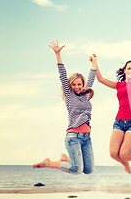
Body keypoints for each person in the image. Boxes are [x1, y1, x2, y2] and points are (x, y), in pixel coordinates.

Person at [33, 41, 96, 174]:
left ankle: (65, 159)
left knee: (89, 170)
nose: (77, 87)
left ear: (83, 84)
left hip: (86, 137)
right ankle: (48, 163)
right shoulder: (69, 96)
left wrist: (94, 62)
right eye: (74, 84)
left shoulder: (86, 95)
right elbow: (62, 74)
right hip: (73, 136)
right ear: (70, 86)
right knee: (77, 170)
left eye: (79, 84)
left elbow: (91, 77)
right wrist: (57, 54)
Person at [92, 37, 131, 174]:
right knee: (114, 153)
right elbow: (100, 79)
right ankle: (125, 164)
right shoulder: (118, 85)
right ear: (125, 70)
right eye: (129, 68)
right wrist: (94, 63)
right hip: (119, 121)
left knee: (124, 152)